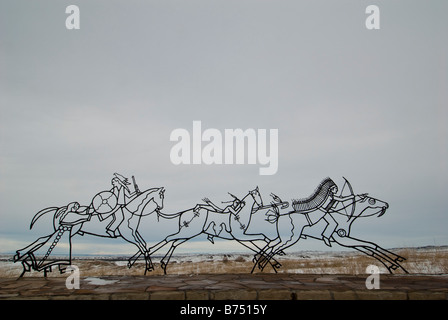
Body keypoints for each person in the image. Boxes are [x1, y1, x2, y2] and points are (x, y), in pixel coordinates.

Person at [106, 173, 137, 237]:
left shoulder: (122, 188)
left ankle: (111, 229)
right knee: (119, 218)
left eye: (113, 182)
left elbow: (129, 196)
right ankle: (110, 230)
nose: (112, 183)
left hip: (119, 206)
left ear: (117, 181)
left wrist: (136, 193)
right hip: (115, 206)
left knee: (118, 218)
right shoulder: (114, 189)